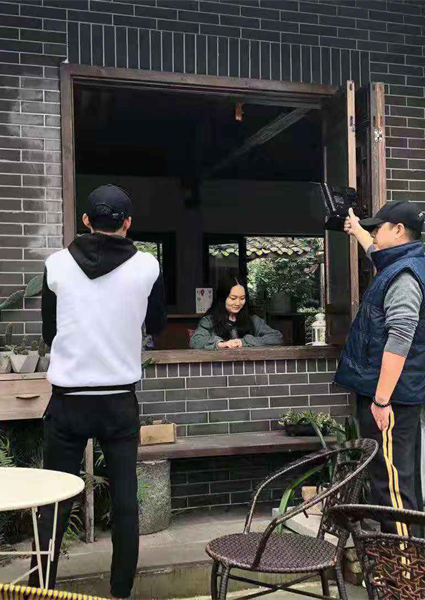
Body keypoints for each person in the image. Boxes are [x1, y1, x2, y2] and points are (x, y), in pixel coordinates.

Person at [30, 184, 167, 599]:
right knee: (125, 502)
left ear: (86, 220)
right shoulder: (147, 266)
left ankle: (40, 590)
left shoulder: (56, 264)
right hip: (118, 401)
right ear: (128, 223)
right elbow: (157, 326)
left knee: (53, 501)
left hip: (68, 402)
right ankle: (120, 592)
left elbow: (49, 333)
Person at [335, 200, 425, 536]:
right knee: (397, 480)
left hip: (390, 399)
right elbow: (375, 252)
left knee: (391, 486)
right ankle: (411, 557)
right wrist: (357, 231)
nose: (374, 234)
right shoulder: (403, 263)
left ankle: (404, 564)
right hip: (395, 394)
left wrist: (381, 400)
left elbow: (400, 339)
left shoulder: (404, 276)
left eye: (378, 228)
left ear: (399, 230)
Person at [190, 274, 283, 350]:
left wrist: (244, 342)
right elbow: (196, 341)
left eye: (242, 298)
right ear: (222, 298)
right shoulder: (209, 321)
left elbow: (276, 337)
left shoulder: (253, 320)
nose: (238, 303)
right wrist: (220, 344)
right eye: (233, 298)